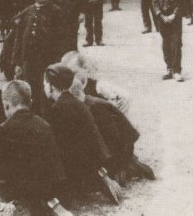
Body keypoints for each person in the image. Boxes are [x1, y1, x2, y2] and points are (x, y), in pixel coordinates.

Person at [0, 80, 70, 216]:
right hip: (51, 181)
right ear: (31, 101)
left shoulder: (5, 128)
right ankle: (49, 201)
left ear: (6, 105)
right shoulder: (44, 123)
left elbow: (2, 160)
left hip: (26, 184)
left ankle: (20, 203)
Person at [43, 64, 122, 205]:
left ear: (50, 87)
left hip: (76, 168)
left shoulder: (56, 109)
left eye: (45, 83)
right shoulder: (78, 102)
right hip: (92, 161)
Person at [68, 75, 154, 186]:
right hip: (116, 146)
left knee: (116, 177)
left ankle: (131, 165)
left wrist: (118, 164)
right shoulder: (87, 103)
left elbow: (115, 137)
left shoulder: (95, 106)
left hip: (122, 146)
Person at [11, 0, 66, 113]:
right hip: (29, 62)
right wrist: (17, 62)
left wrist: (59, 63)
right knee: (29, 92)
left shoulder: (56, 12)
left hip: (48, 61)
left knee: (47, 93)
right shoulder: (26, 12)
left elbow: (62, 40)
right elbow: (18, 38)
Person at [60, 50, 130, 113]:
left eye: (74, 73)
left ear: (85, 69)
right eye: (66, 75)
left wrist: (121, 101)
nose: (70, 78)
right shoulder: (62, 89)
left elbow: (125, 96)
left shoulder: (99, 86)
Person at [152, 0, 186, 82]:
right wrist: (161, 15)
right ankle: (169, 68)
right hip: (162, 19)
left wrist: (174, 15)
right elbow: (154, 2)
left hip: (175, 18)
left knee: (176, 42)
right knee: (166, 43)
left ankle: (177, 70)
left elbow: (182, 0)